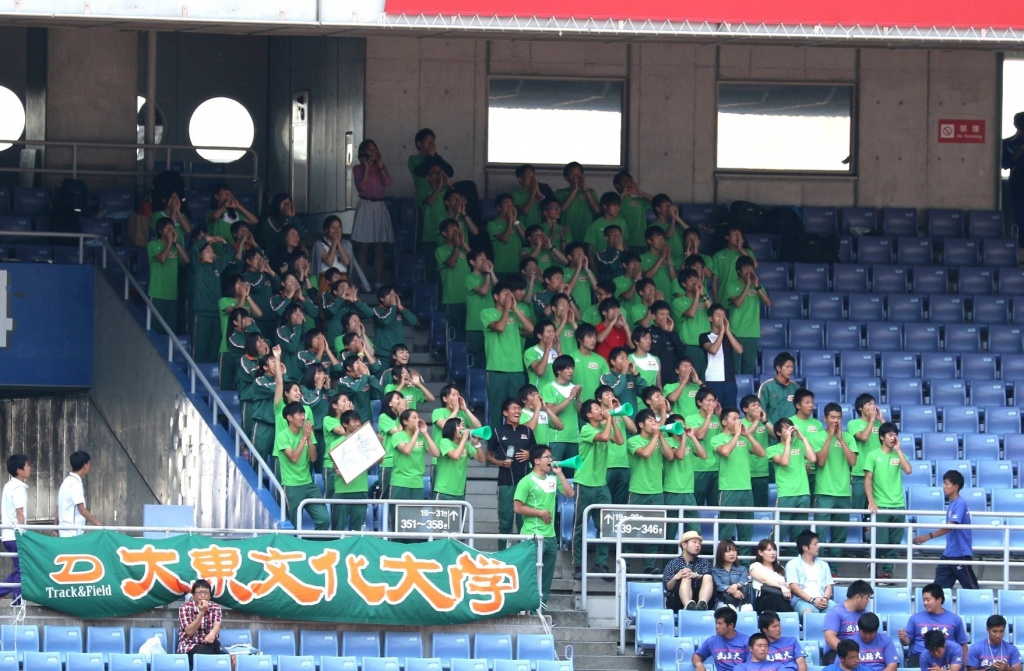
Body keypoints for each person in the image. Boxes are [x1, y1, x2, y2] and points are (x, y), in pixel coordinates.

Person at [514, 444, 574, 606]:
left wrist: (560, 474)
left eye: (551, 457)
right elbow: (517, 507)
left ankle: (541, 608)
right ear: (536, 461)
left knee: (546, 577)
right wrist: (539, 513)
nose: (551, 460)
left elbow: (570, 493)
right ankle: (527, 608)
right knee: (531, 574)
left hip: (550, 536)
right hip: (532, 535)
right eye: (547, 457)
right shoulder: (526, 481)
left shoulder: (553, 479)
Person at [572, 399, 622, 580]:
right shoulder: (586, 429)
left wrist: (612, 419)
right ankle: (578, 565)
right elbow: (604, 437)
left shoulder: (603, 426)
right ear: (588, 414)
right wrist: (608, 419)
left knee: (605, 526)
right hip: (584, 483)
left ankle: (601, 564)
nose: (601, 410)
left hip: (601, 484)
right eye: (596, 408)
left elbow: (620, 440)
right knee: (579, 526)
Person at [912, 469, 979, 589]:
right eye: (944, 483)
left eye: (947, 484)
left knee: (972, 589)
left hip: (960, 554)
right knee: (937, 591)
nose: (944, 487)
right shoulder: (952, 503)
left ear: (956, 487)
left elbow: (950, 527)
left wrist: (928, 536)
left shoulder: (960, 503)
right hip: (949, 554)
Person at [626, 409, 673, 575]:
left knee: (655, 529)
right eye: (651, 421)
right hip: (638, 490)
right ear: (641, 424)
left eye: (655, 420)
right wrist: (656, 436)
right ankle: (625, 565)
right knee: (631, 530)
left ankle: (649, 566)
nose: (655, 423)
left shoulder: (658, 438)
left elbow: (670, 456)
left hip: (657, 491)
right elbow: (645, 453)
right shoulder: (633, 440)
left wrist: (660, 436)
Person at [864, 422, 911, 581]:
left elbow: (908, 470)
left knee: (894, 543)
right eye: (890, 435)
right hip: (881, 505)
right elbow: (867, 479)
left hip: (898, 505)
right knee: (882, 542)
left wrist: (899, 450)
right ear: (882, 437)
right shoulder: (873, 455)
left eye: (895, 434)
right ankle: (874, 565)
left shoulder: (898, 455)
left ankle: (887, 573)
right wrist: (871, 500)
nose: (894, 437)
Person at [814, 402, 858, 570]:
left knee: (839, 535)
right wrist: (829, 438)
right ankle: (818, 569)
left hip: (844, 493)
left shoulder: (847, 437)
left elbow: (853, 461)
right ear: (824, 418)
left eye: (839, 418)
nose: (836, 421)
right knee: (820, 533)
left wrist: (840, 439)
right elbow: (820, 461)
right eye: (832, 417)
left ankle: (833, 570)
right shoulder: (817, 436)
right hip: (824, 492)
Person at [714, 407, 766, 546]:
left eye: (739, 418)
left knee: (746, 530)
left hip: (746, 489)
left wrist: (747, 435)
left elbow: (761, 453)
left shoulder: (744, 438)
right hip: (728, 489)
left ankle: (744, 559)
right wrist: (737, 435)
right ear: (724, 422)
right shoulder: (717, 438)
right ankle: (723, 559)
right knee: (726, 530)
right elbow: (725, 451)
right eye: (734, 419)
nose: (738, 421)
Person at [483, 282, 533, 427]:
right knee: (498, 408)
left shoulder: (514, 314)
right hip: (497, 367)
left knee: (517, 408)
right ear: (496, 296)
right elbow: (499, 327)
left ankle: (515, 437)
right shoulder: (487, 312)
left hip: (516, 368)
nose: (509, 297)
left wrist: (515, 309)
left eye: (510, 294)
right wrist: (506, 309)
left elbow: (531, 329)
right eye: (505, 294)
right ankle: (496, 439)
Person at [487, 398, 535, 549]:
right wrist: (500, 462)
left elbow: (537, 455)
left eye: (519, 408)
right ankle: (503, 553)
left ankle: (523, 553)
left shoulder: (527, 431)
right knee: (505, 521)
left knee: (524, 521)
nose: (518, 411)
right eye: (514, 408)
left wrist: (530, 455)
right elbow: (488, 456)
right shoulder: (497, 431)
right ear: (505, 412)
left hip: (525, 483)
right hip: (505, 482)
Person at [275, 401, 329, 530]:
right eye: (299, 414)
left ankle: (314, 542)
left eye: (304, 414)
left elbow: (313, 458)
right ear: (289, 417)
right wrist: (304, 438)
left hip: (309, 484)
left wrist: (309, 439)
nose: (303, 417)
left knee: (324, 519)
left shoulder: (307, 434)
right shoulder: (283, 436)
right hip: (291, 485)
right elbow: (294, 458)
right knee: (292, 525)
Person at [898, 583, 969, 669]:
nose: (925, 603)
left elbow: (962, 644)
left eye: (928, 600)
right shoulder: (915, 618)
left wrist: (966, 666)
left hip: (946, 657)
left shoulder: (955, 619)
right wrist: (903, 638)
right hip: (919, 656)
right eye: (924, 600)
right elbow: (906, 642)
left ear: (939, 599)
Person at [352, 139, 393, 287]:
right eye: (369, 149)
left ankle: (378, 281)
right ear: (363, 152)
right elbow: (361, 187)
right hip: (366, 205)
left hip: (379, 206)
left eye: (374, 149)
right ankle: (363, 281)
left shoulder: (382, 167)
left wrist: (380, 165)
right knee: (363, 246)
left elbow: (387, 182)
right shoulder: (358, 168)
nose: (373, 152)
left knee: (379, 247)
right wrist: (367, 168)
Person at [768, 418, 816, 543]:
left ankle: (794, 554)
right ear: (778, 433)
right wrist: (788, 442)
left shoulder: (799, 445)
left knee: (799, 532)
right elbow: (784, 462)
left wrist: (803, 438)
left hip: (803, 493)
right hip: (786, 494)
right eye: (786, 428)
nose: (790, 430)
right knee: (779, 530)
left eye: (791, 427)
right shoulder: (773, 449)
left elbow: (812, 458)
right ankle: (771, 553)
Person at [722, 255, 769, 375]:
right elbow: (737, 303)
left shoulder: (758, 286)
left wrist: (757, 286)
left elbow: (768, 303)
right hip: (735, 331)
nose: (749, 272)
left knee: (749, 368)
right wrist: (747, 285)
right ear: (739, 271)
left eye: (751, 269)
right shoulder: (731, 285)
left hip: (752, 332)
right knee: (734, 368)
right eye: (746, 269)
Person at [148, 216, 190, 334]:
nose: (171, 230)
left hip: (172, 294)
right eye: (167, 228)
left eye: (172, 227)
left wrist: (175, 243)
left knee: (170, 330)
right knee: (156, 329)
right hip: (157, 293)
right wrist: (169, 242)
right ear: (160, 231)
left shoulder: (175, 246)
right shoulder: (152, 244)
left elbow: (187, 260)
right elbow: (162, 259)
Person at [700, 303, 742, 410]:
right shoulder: (704, 336)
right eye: (718, 315)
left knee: (729, 412)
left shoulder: (729, 336)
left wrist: (727, 331)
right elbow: (713, 350)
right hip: (712, 380)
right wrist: (722, 332)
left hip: (729, 380)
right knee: (713, 411)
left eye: (724, 315)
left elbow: (740, 350)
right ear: (710, 318)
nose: (722, 318)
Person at [0, 455, 30, 602]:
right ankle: (17, 602)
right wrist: (23, 535)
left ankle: (1, 592)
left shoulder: (9, 486)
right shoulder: (18, 488)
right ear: (19, 470)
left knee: (21, 568)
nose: (29, 468)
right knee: (22, 570)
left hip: (8, 535)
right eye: (27, 466)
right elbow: (20, 513)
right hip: (15, 535)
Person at [434, 418, 486, 500]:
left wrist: (476, 444)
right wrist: (464, 438)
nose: (462, 428)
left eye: (463, 426)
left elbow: (481, 459)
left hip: (459, 491)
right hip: (444, 490)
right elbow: (455, 456)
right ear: (451, 428)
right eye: (459, 426)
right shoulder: (445, 442)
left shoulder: (466, 444)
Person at [823, 580, 876, 663]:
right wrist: (848, 653)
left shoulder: (865, 615)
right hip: (838, 652)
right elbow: (829, 637)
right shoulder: (835, 613)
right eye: (867, 598)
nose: (868, 601)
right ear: (858, 597)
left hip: (860, 653)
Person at [785, 530, 834, 615]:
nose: (818, 547)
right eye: (815, 544)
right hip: (802, 601)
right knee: (808, 614)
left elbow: (829, 586)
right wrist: (812, 600)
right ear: (805, 547)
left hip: (823, 600)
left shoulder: (824, 565)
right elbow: (794, 587)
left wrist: (825, 599)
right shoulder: (792, 564)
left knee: (838, 613)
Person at [663, 530, 714, 611]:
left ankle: (702, 605)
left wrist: (696, 575)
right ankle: (688, 606)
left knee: (707, 576)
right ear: (684, 545)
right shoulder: (672, 564)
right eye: (694, 542)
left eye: (699, 543)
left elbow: (710, 581)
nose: (698, 545)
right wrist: (676, 577)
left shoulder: (704, 562)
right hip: (678, 602)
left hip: (699, 597)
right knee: (686, 576)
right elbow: (668, 587)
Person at [177, 579, 225, 665]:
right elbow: (189, 631)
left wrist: (212, 633)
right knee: (210, 657)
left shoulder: (216, 607)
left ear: (210, 596)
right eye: (199, 592)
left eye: (206, 592)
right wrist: (202, 612)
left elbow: (217, 623)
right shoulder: (184, 608)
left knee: (218, 650)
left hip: (210, 644)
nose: (203, 595)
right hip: (189, 646)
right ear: (193, 595)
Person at [56, 451, 101, 536]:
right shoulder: (75, 484)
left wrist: (56, 528)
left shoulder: (65, 482)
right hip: (73, 533)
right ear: (85, 465)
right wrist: (99, 525)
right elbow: (82, 509)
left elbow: (58, 507)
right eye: (89, 463)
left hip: (63, 531)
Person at [556, 161, 601, 243]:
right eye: (573, 175)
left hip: (587, 233)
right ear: (566, 178)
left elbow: (597, 210)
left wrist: (586, 190)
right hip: (567, 234)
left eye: (578, 174)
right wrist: (575, 190)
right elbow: (561, 209)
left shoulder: (591, 192)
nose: (576, 177)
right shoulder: (560, 192)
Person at [747, 538, 793, 613]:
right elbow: (764, 580)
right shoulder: (755, 566)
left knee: (780, 599)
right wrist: (781, 586)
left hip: (781, 598)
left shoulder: (781, 569)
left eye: (774, 550)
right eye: (769, 550)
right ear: (760, 552)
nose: (773, 553)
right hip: (763, 600)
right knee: (774, 597)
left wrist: (786, 586)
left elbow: (787, 588)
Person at [758, 352, 799, 426]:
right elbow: (760, 410)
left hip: (791, 430)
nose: (790, 370)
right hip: (771, 430)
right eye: (787, 367)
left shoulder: (796, 387)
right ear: (778, 368)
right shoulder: (766, 386)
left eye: (792, 367)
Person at [1002, 112, 1024, 243]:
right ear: (1016, 125)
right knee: (1019, 219)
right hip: (1017, 186)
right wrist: (1019, 152)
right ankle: (1020, 246)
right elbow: (1004, 164)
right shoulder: (1007, 143)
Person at [711, 539, 751, 611]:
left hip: (740, 601)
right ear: (721, 553)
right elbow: (718, 585)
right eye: (728, 551)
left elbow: (744, 581)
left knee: (748, 609)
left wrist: (736, 585)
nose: (732, 554)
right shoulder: (715, 571)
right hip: (722, 601)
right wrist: (732, 590)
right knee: (729, 609)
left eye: (734, 550)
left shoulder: (742, 569)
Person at [734, 633, 798, 671]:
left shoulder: (778, 666)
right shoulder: (741, 668)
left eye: (766, 646)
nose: (763, 649)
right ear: (751, 648)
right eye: (759, 646)